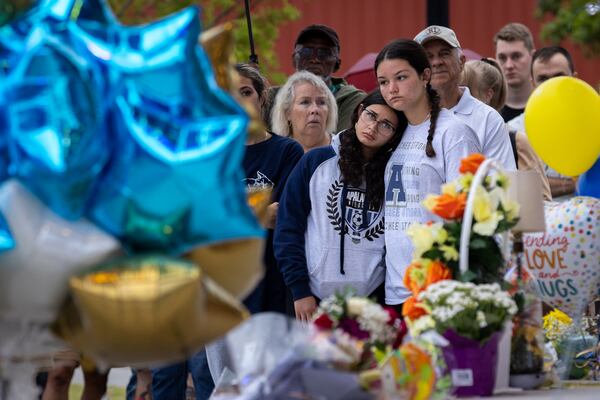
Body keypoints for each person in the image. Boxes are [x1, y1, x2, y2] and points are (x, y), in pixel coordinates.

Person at [274, 90, 407, 321]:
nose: (373, 128)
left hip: (369, 305)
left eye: (386, 125)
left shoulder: (392, 174)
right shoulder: (315, 161)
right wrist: (299, 290)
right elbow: (288, 227)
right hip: (312, 300)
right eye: (371, 116)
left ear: (395, 135)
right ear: (359, 111)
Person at [374, 39, 481, 307]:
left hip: (438, 288)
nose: (392, 89)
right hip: (396, 286)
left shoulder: (454, 132)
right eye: (383, 82)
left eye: (401, 77)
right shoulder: (393, 133)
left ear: (425, 76)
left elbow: (468, 215)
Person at [414, 25, 516, 171]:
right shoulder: (408, 115)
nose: (436, 62)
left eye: (444, 53)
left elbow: (501, 179)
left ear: (461, 62)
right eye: (428, 57)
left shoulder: (488, 119)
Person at [461, 58, 552, 200]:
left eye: (466, 91)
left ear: (488, 95)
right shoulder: (450, 133)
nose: (458, 97)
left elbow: (542, 201)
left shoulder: (516, 140)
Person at [265, 24, 365, 132]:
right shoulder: (270, 98)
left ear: (337, 64)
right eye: (306, 52)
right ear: (294, 59)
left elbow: (342, 143)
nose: (315, 59)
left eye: (324, 53)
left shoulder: (352, 100)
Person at [507, 46, 577, 199]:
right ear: (532, 83)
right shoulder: (514, 131)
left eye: (559, 76)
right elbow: (516, 187)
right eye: (543, 79)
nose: (551, 85)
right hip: (540, 222)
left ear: (574, 78)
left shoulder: (593, 122)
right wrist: (573, 184)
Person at [271, 70, 338, 152]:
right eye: (305, 102)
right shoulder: (276, 154)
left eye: (321, 102)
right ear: (287, 112)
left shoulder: (344, 150)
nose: (315, 109)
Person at [493, 23, 535, 122]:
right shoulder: (487, 110)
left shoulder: (546, 104)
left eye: (516, 56)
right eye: (502, 58)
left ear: (532, 56)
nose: (509, 65)